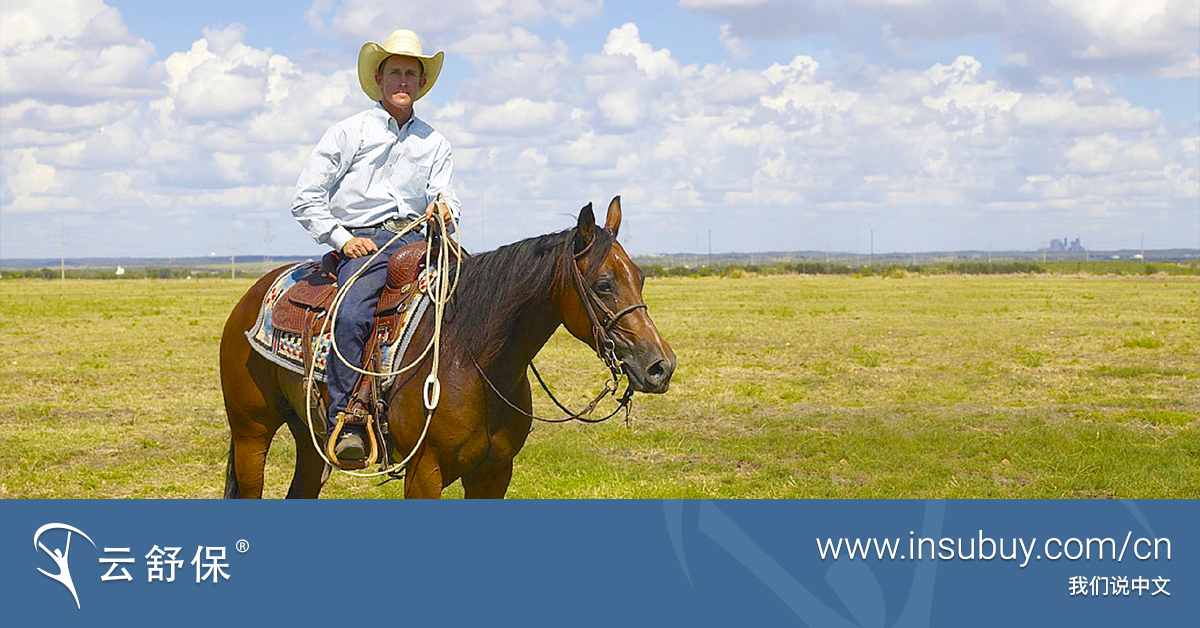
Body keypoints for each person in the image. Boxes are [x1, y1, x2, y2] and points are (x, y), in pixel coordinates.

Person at [292, 28, 460, 463]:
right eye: (395, 73)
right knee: (352, 314)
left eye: (411, 73)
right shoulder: (348, 133)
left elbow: (445, 195)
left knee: (471, 305)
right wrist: (343, 240)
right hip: (365, 242)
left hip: (421, 239)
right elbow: (306, 197)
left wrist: (444, 211)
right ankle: (347, 418)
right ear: (380, 80)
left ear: (421, 83)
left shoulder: (435, 142)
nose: (403, 81)